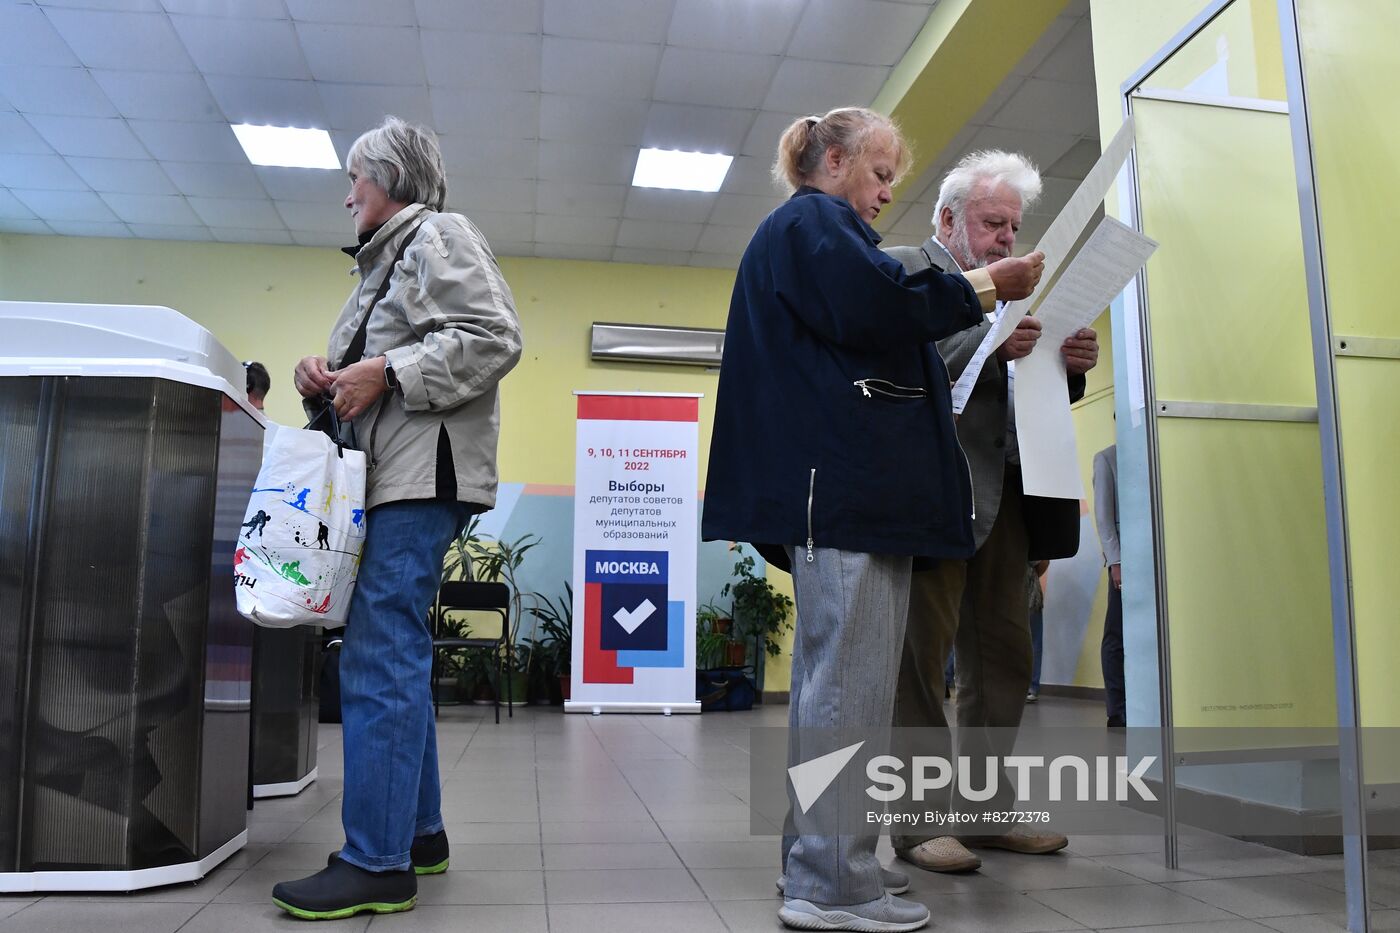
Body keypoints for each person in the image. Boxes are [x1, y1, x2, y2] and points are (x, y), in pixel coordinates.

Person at [703, 108, 1043, 933]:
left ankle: (827, 863)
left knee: (840, 691)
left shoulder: (814, 234)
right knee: (846, 693)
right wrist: (989, 285)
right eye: (879, 172)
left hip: (853, 496)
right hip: (844, 494)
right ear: (831, 159)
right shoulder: (813, 220)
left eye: (893, 177)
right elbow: (882, 307)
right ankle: (829, 881)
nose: (887, 193)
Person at [271, 116, 523, 920]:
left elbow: (493, 336)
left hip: (420, 477)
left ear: (395, 181)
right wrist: (329, 376)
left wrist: (384, 369)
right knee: (394, 648)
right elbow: (393, 366)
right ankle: (417, 834)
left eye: (358, 179)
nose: (348, 195)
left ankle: (375, 861)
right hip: (398, 473)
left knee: (377, 648)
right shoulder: (386, 262)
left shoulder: (437, 235)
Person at [886, 150, 1099, 874]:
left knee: (1005, 658)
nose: (1007, 238)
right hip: (933, 490)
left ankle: (984, 811)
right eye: (991, 222)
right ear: (948, 219)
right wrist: (990, 338)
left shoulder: (1023, 291)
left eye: (1013, 226)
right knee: (920, 661)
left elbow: (1015, 391)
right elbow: (900, 362)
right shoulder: (908, 269)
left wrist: (1067, 366)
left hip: (1010, 491)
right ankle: (917, 824)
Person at [1093, 443, 1125, 727]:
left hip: (1155, 554)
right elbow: (1103, 517)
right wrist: (1116, 561)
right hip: (1124, 558)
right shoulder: (1107, 458)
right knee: (1116, 632)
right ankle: (1117, 708)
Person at [1027, 559, 1049, 703]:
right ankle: (1031, 688)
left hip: (1007, 590)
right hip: (1030, 589)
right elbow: (1044, 561)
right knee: (1034, 642)